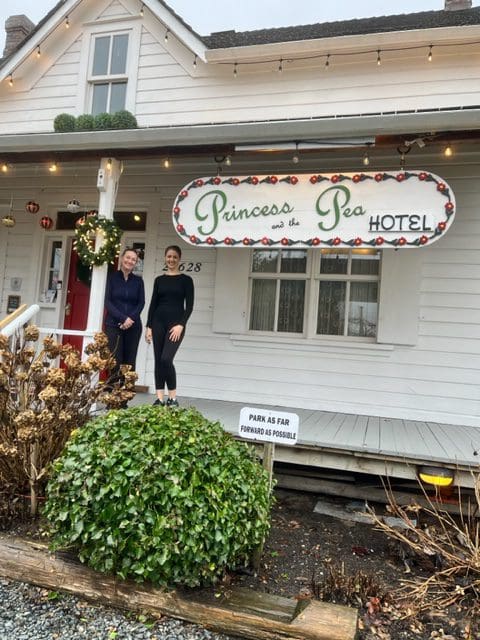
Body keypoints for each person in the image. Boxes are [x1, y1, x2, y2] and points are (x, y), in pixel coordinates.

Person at [145, 245, 194, 407]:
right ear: (165, 258)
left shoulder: (186, 280)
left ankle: (173, 398)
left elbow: (190, 307)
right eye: (169, 256)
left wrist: (181, 324)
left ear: (179, 259)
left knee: (166, 359)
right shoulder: (159, 280)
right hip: (158, 322)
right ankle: (159, 398)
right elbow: (153, 304)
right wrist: (149, 326)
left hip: (176, 325)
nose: (171, 259)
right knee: (158, 360)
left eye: (174, 257)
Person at [104, 247, 145, 383]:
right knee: (115, 361)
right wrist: (123, 318)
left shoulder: (138, 281)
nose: (130, 261)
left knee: (129, 362)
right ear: (122, 258)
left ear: (136, 263)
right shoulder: (111, 278)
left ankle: (125, 399)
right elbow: (107, 301)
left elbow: (141, 303)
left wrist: (130, 319)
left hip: (133, 327)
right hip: (113, 325)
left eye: (133, 259)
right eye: (128, 257)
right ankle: (112, 398)